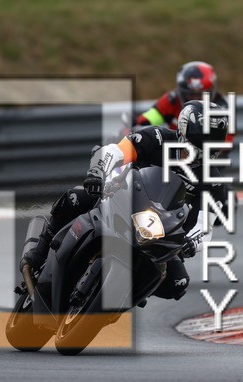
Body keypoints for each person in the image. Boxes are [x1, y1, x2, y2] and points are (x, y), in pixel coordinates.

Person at [22, 100, 231, 301]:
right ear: (184, 132)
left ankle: (125, 296)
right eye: (199, 144)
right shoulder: (157, 137)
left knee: (177, 283)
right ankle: (39, 252)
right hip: (121, 200)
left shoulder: (214, 182)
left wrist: (192, 242)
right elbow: (114, 151)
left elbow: (205, 226)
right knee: (76, 198)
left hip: (160, 234)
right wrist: (96, 173)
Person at [135, 61, 229, 130]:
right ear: (181, 92)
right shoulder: (172, 100)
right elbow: (147, 119)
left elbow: (224, 144)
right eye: (191, 95)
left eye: (200, 95)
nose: (196, 100)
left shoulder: (222, 109)